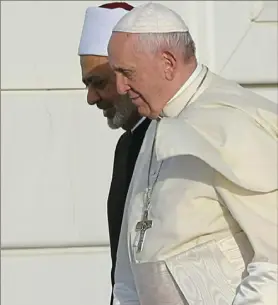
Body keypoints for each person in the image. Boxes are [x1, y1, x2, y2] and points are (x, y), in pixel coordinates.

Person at [108, 3, 278, 305]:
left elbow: (274, 259)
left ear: (168, 63)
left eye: (127, 72)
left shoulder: (233, 123)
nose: (120, 87)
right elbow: (128, 271)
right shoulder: (157, 123)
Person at [78, 2, 151, 304]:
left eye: (99, 83)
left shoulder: (175, 138)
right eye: (88, 84)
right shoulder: (126, 144)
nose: (91, 98)